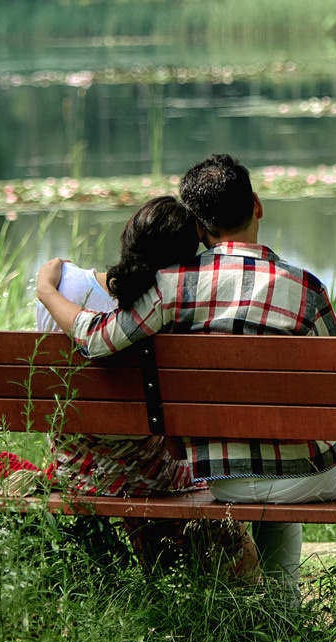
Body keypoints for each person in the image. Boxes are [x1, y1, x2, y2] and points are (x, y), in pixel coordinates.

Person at [34, 153, 336, 601]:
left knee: (279, 488)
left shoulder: (170, 286)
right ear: (257, 205)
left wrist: (45, 290)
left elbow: (95, 338)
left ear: (199, 227)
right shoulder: (306, 290)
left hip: (219, 475)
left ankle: (281, 612)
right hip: (300, 469)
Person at [42, 197, 254, 578]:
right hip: (151, 473)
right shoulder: (171, 305)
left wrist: (45, 290)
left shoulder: (62, 286)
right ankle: (232, 582)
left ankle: (158, 570)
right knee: (201, 467)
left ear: (128, 235)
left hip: (73, 469)